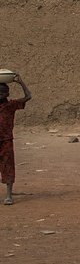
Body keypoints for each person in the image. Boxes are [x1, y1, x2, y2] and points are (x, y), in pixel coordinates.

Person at [0, 73, 33, 205]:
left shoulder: (11, 105)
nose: (0, 94)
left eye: (3, 92)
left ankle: (8, 195)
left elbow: (28, 96)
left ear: (7, 94)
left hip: (6, 140)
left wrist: (21, 83)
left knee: (8, 167)